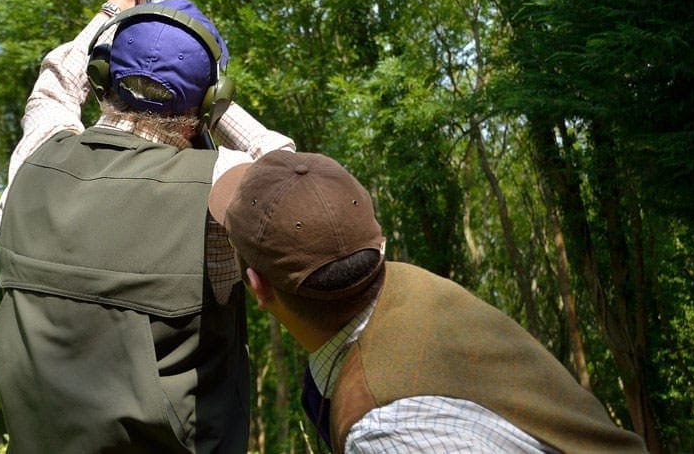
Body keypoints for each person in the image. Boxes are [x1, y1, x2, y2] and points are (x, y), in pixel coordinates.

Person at [0, 0, 295, 454]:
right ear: (208, 104)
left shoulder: (33, 163)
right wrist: (216, 110)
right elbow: (290, 174)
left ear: (103, 78)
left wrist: (114, 7)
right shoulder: (220, 185)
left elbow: (55, 88)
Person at [207, 151, 648, 454]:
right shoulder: (411, 290)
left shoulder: (389, 432)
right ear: (376, 245)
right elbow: (303, 198)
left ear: (257, 288)